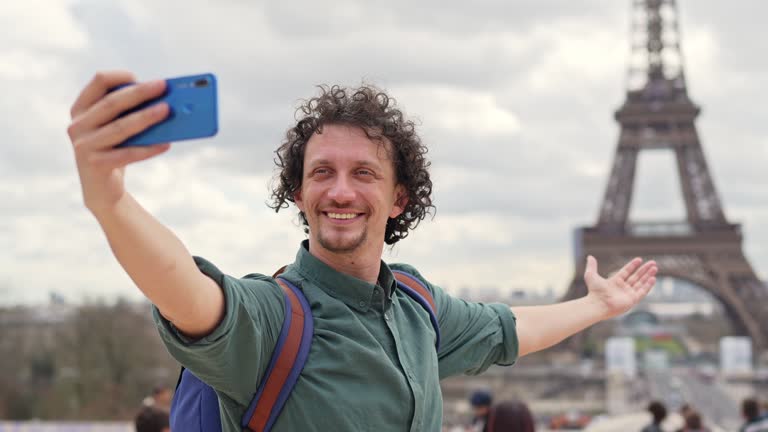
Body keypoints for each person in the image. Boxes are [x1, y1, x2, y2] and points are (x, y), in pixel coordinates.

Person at [66, 72, 658, 431]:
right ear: (298, 193)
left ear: (399, 197)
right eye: (321, 172)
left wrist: (598, 306)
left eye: (363, 173)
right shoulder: (273, 316)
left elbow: (511, 329)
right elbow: (186, 292)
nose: (341, 190)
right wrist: (109, 199)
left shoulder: (417, 306)